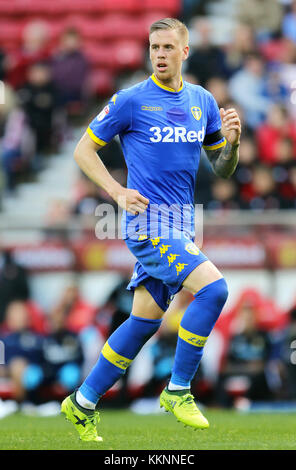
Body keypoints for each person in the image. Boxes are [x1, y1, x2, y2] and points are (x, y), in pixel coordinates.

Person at [61, 18, 241, 442]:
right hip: (147, 223)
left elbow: (222, 169)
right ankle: (178, 389)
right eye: (153, 47)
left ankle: (82, 402)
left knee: (144, 321)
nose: (158, 55)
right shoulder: (130, 100)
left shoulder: (203, 101)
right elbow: (82, 149)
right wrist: (116, 191)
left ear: (185, 52)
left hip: (181, 225)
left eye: (166, 47)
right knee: (214, 290)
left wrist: (231, 145)